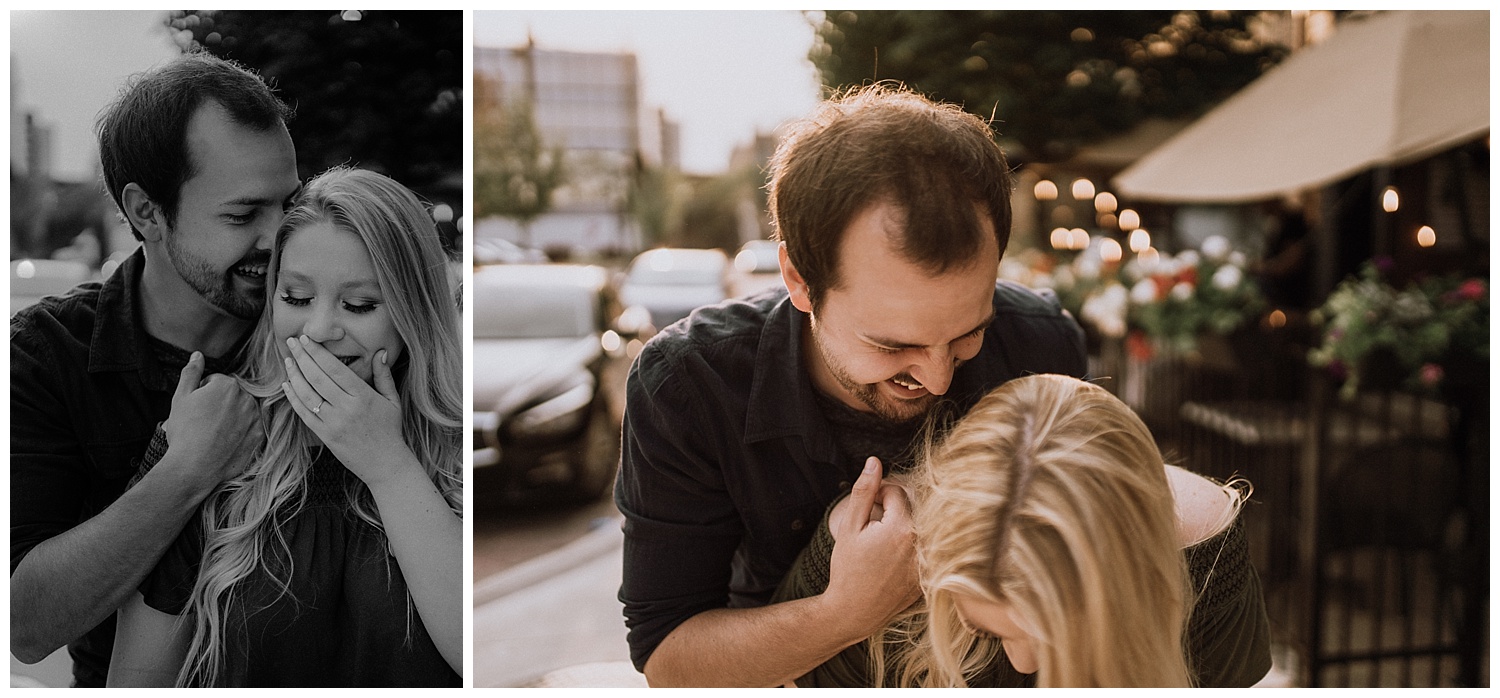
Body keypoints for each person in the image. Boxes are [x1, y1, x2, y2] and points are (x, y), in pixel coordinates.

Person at [616, 84, 1091, 687]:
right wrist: (843, 614)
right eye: (893, 346)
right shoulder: (688, 385)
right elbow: (669, 661)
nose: (939, 377)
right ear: (799, 279)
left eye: (970, 332)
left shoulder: (1043, 343)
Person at [106, 167, 463, 687]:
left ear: (413, 312)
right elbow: (136, 679)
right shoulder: (214, 439)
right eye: (295, 298)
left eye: (359, 304)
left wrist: (388, 466)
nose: (318, 331)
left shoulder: (458, 450)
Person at [10, 51, 299, 687]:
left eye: (288, 205)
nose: (279, 238)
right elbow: (25, 626)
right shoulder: (45, 354)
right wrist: (186, 469)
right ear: (146, 213)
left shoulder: (323, 333)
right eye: (243, 214)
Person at [773, 374, 1270, 687]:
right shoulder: (870, 550)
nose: (1027, 663)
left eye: (1060, 633)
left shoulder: (1204, 553)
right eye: (982, 628)